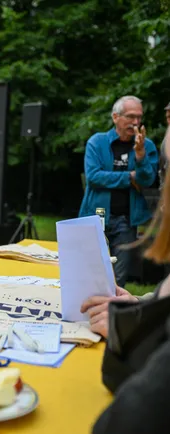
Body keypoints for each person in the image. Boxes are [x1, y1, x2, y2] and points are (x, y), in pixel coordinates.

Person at [92, 126, 170, 434]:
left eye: (165, 170)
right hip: (102, 214)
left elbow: (122, 421)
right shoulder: (99, 143)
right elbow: (97, 176)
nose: (161, 198)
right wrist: (138, 309)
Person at [79, 96, 158, 288]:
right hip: (96, 216)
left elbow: (147, 180)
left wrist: (140, 156)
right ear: (116, 117)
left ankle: (112, 316)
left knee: (117, 278)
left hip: (126, 220)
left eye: (139, 117)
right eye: (130, 116)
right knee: (89, 272)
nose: (136, 122)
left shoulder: (146, 146)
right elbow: (94, 177)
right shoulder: (97, 143)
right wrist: (129, 177)